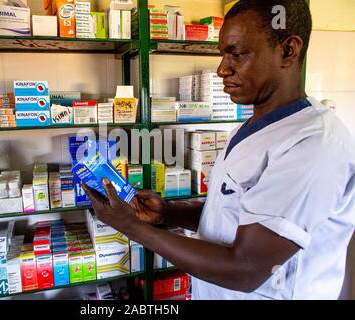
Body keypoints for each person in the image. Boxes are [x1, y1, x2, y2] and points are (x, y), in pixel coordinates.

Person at [82, 0, 355, 300]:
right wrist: (169, 214)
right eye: (223, 55)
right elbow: (235, 212)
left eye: (237, 55)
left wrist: (132, 227)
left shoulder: (312, 145)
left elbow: (246, 268)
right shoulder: (251, 128)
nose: (222, 69)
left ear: (288, 50)